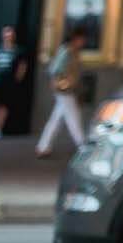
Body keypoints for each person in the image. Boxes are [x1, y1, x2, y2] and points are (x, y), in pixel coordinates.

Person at [36, 29, 89, 158]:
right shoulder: (67, 51)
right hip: (64, 89)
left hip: (66, 89)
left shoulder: (72, 52)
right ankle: (82, 146)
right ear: (75, 39)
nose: (83, 42)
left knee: (57, 119)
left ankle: (43, 146)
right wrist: (58, 83)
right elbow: (55, 70)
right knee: (73, 117)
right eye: (82, 39)